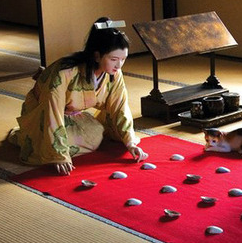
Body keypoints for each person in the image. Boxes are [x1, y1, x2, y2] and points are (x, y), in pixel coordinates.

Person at [8, 17, 148, 175]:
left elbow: (120, 106)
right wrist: (59, 155)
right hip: (42, 113)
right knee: (45, 149)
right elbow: (51, 111)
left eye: (123, 59)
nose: (119, 65)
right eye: (114, 59)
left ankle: (52, 139)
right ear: (97, 56)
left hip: (70, 115)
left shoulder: (114, 73)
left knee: (96, 135)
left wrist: (130, 143)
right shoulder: (65, 72)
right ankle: (24, 135)